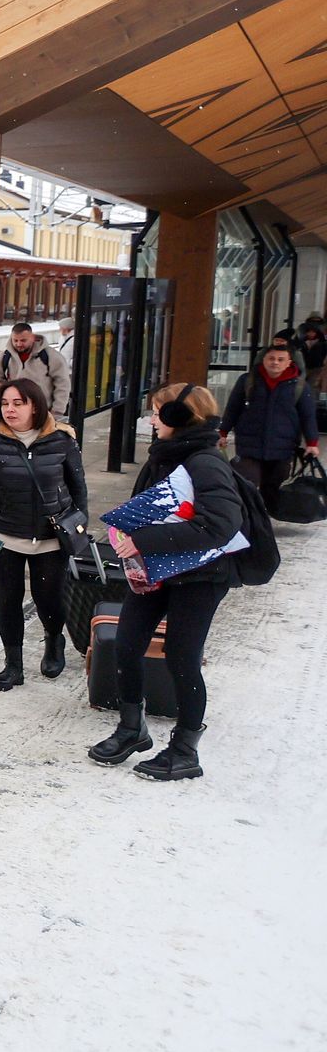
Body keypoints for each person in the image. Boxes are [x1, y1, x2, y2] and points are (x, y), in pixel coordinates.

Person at [90, 383, 245, 781]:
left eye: (158, 412)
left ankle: (185, 749)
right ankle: (132, 728)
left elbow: (221, 525)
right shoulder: (162, 457)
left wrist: (143, 540)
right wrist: (126, 538)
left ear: (180, 417)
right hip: (157, 570)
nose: (152, 420)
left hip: (202, 576)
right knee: (126, 644)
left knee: (181, 656)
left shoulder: (206, 462)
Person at [0, 377, 89, 689]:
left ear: (35, 406)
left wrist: (78, 525)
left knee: (50, 599)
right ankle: (12, 665)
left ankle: (54, 641)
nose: (9, 409)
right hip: (4, 537)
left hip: (50, 538)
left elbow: (78, 488)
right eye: (4, 403)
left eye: (18, 403)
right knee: (9, 599)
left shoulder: (62, 438)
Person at [218, 340, 319, 517]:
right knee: (246, 479)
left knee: (273, 483)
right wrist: (223, 432)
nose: (275, 362)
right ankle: (242, 516)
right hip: (250, 443)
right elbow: (233, 408)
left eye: (281, 359)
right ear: (263, 360)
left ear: (289, 362)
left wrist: (312, 442)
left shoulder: (299, 387)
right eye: (271, 358)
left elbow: (308, 416)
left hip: (283, 446)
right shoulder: (248, 381)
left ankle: (266, 516)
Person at [0, 320, 72, 418]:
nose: (19, 344)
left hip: (42, 413)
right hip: (13, 413)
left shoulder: (50, 356)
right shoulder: (5, 356)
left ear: (32, 338)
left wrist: (57, 412)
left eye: (23, 340)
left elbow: (63, 384)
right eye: (15, 340)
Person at [298, 319, 326, 393]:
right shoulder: (302, 341)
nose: (310, 334)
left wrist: (322, 363)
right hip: (304, 367)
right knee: (300, 385)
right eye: (309, 332)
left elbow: (324, 354)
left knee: (311, 386)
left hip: (316, 368)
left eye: (313, 332)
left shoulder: (322, 343)